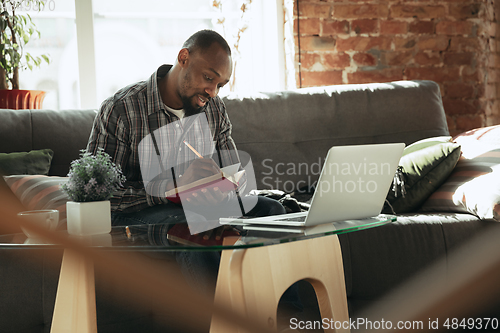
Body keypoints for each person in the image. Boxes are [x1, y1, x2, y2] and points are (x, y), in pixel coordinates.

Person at [86, 30, 288, 293]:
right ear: (183, 58)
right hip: (142, 215)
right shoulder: (122, 109)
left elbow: (234, 174)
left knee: (272, 212)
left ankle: (284, 318)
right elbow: (96, 195)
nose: (213, 92)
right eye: (208, 78)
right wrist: (173, 188)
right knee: (195, 225)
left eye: (220, 85)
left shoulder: (213, 108)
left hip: (204, 207)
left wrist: (223, 183)